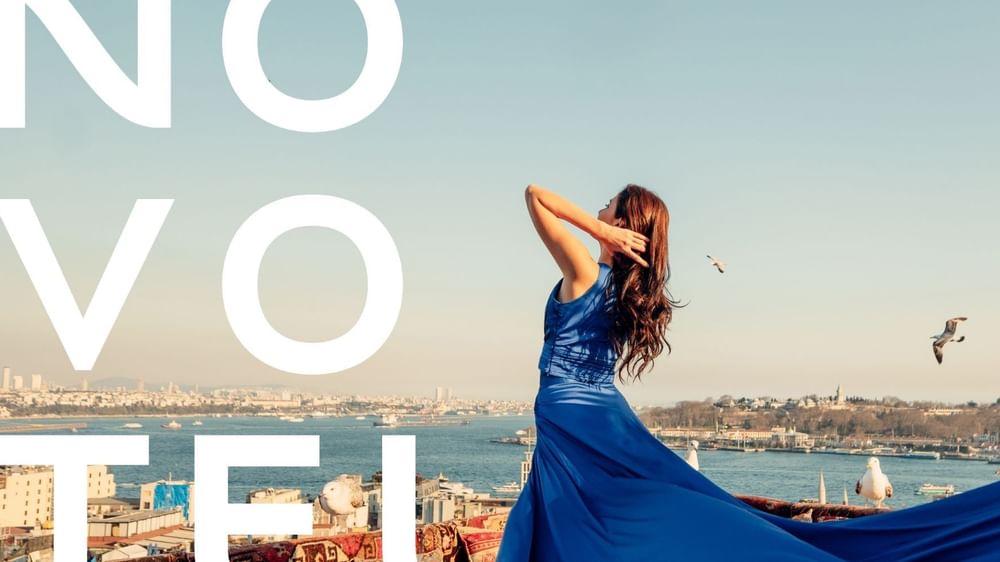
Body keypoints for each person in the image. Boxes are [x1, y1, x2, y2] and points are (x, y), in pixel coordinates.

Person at [496, 184, 1000, 561]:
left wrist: (598, 231)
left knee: (601, 506)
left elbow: (535, 195)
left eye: (608, 207)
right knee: (644, 499)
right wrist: (604, 229)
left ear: (623, 224)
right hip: (598, 413)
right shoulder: (624, 292)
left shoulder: (587, 273)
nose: (599, 209)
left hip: (574, 412)